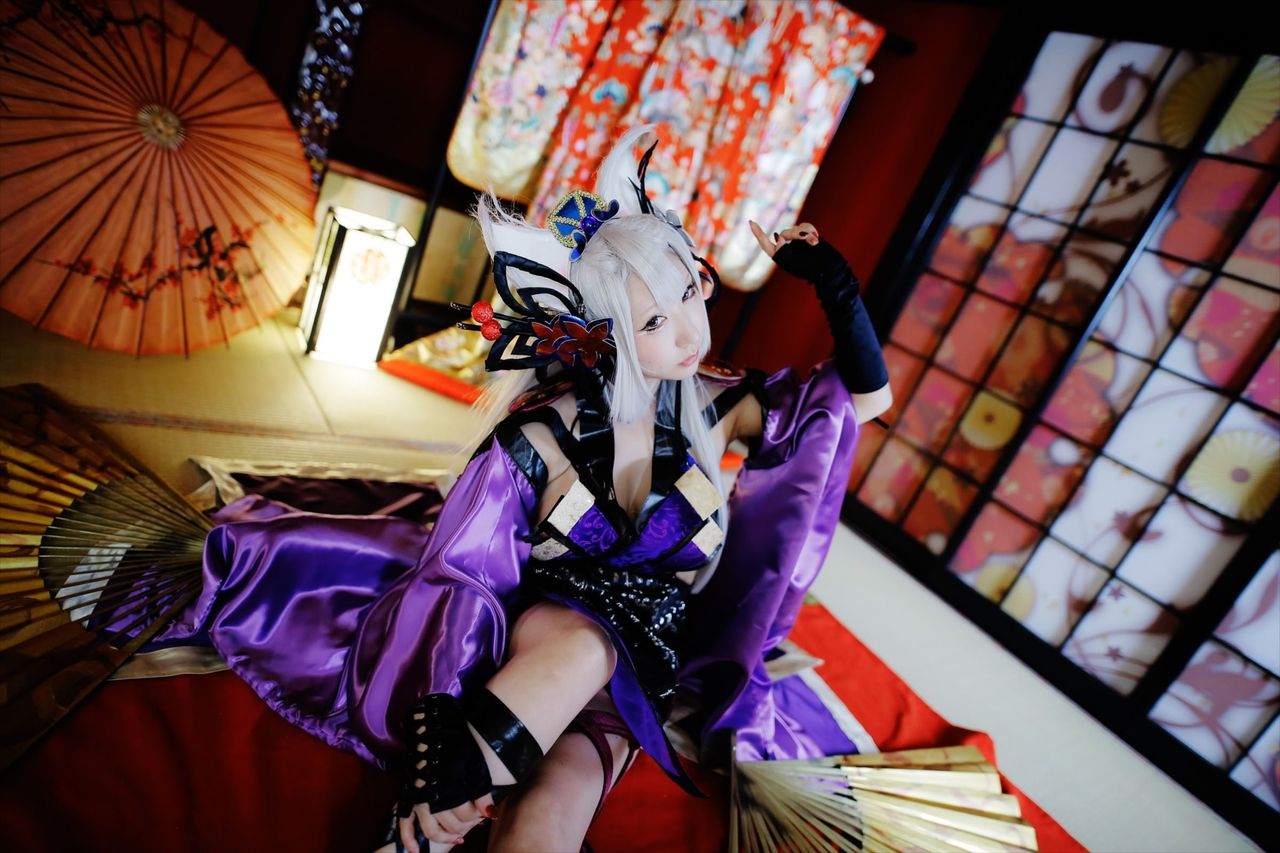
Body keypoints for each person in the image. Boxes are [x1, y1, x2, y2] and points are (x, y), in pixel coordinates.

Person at [146, 123, 891, 852]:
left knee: (549, 824)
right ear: (606, 329)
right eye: (656, 320)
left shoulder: (716, 404)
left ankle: (433, 801)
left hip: (646, 662)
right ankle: (424, 819)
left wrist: (835, 284)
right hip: (540, 635)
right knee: (586, 644)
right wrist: (439, 683)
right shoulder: (540, 436)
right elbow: (464, 576)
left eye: (689, 297)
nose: (691, 334)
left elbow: (860, 404)